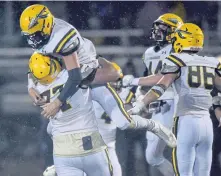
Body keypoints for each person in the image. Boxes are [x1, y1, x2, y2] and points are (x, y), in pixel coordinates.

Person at [21, 4, 176, 147]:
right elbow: (35, 64)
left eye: (34, 35)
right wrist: (31, 87)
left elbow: (76, 77)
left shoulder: (62, 37)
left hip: (87, 74)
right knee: (58, 130)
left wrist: (56, 103)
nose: (32, 40)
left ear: (46, 25)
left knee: (122, 122)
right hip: (75, 78)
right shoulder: (45, 42)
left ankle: (154, 125)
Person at [129, 23, 221, 176]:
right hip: (207, 124)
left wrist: (141, 104)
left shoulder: (176, 59)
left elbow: (159, 87)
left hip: (186, 121)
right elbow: (218, 92)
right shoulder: (211, 62)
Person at [29, 53, 113, 176]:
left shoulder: (39, 89)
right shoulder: (72, 77)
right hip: (86, 137)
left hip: (61, 143)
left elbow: (32, 82)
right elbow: (109, 72)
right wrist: (97, 59)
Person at [122, 13, 183, 176]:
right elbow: (147, 79)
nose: (158, 31)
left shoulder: (179, 50)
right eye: (157, 27)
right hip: (157, 107)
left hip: (174, 103)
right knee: (152, 156)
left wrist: (134, 81)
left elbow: (164, 77)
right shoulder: (149, 53)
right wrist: (141, 97)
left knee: (181, 151)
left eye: (163, 28)